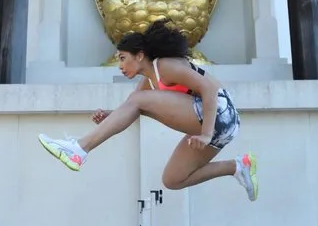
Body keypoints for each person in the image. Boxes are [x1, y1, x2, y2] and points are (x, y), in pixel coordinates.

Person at [37, 19, 258, 202]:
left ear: (140, 55)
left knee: (137, 100)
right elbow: (132, 110)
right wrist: (109, 118)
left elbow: (209, 89)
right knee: (173, 179)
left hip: (219, 113)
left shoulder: (164, 66)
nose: (121, 66)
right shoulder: (147, 84)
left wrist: (207, 133)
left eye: (123, 58)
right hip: (220, 128)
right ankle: (239, 166)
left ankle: (79, 149)